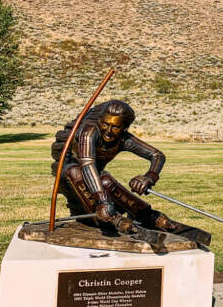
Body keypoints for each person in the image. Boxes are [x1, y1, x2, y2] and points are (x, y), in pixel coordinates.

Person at [51, 99, 211, 245]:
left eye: (115, 127)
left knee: (106, 181)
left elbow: (157, 155)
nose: (108, 130)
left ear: (124, 128)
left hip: (95, 177)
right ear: (100, 120)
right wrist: (103, 199)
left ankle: (147, 215)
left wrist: (150, 176)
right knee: (76, 172)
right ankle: (114, 219)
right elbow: (87, 164)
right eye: (105, 124)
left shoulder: (123, 139)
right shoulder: (89, 132)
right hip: (69, 177)